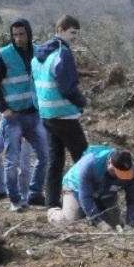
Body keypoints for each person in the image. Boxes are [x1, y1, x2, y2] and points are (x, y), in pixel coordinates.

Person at [0, 18, 48, 211]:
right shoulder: (4, 55)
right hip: (13, 117)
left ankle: (35, 193)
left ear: (29, 34)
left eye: (22, 34)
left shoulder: (39, 52)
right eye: (15, 35)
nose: (18, 38)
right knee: (12, 160)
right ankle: (14, 199)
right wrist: (2, 109)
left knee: (45, 156)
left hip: (35, 114)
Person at [33, 14, 89, 204]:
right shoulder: (62, 53)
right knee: (84, 160)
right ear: (60, 30)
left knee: (55, 161)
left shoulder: (40, 55)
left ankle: (52, 204)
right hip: (64, 115)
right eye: (72, 32)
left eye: (76, 33)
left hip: (46, 115)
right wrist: (82, 102)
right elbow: (67, 87)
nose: (74, 37)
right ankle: (87, 203)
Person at [47, 145, 134, 231]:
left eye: (123, 175)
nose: (120, 177)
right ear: (109, 163)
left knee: (115, 225)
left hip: (105, 194)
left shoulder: (131, 172)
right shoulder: (90, 164)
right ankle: (53, 213)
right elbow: (85, 197)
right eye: (117, 172)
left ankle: (90, 217)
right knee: (71, 222)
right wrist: (99, 222)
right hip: (75, 189)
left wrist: (131, 223)